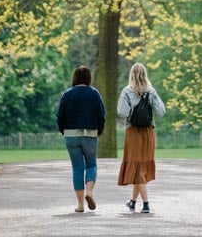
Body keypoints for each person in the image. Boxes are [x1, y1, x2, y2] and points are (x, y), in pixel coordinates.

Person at [117, 62, 166, 214]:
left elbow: (122, 112)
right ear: (145, 74)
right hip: (148, 133)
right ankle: (132, 202)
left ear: (131, 74)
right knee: (142, 166)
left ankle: (145, 204)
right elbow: (161, 111)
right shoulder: (151, 92)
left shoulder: (126, 91)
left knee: (138, 168)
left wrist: (132, 107)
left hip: (133, 132)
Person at [56, 65, 106, 213]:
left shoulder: (67, 94)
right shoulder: (94, 94)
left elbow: (60, 116)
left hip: (71, 135)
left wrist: (63, 131)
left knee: (77, 168)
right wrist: (99, 131)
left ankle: (80, 205)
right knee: (91, 165)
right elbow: (101, 115)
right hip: (90, 134)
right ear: (89, 77)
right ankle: (89, 192)